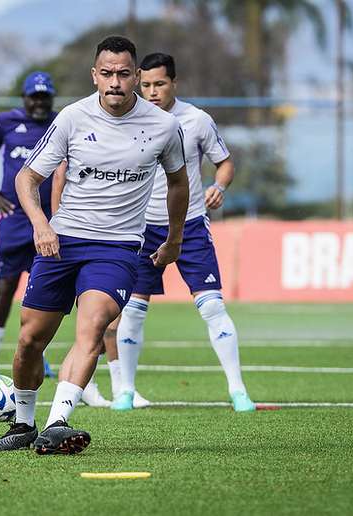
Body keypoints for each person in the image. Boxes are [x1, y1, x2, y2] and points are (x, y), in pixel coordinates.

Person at [0, 36, 189, 454]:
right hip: (63, 242)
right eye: (107, 73)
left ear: (136, 76)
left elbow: (178, 183)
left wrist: (174, 239)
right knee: (30, 339)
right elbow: (27, 178)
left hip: (118, 247)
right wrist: (41, 225)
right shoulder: (72, 118)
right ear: (94, 75)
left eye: (124, 74)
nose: (115, 82)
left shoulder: (164, 126)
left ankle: (57, 422)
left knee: (94, 325)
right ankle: (24, 423)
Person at [109, 52, 256, 413]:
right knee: (134, 311)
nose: (152, 91)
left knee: (213, 306)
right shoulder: (127, 120)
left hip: (190, 225)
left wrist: (219, 186)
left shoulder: (197, 120)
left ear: (174, 83)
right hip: (141, 229)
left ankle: (238, 390)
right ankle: (125, 391)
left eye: (160, 84)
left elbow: (224, 162)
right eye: (146, 84)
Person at [0, 71, 59, 379]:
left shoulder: (62, 123)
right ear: (24, 98)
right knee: (4, 288)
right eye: (34, 97)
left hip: (49, 222)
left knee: (42, 292)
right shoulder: (3, 122)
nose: (39, 103)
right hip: (14, 220)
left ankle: (39, 356)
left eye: (45, 97)